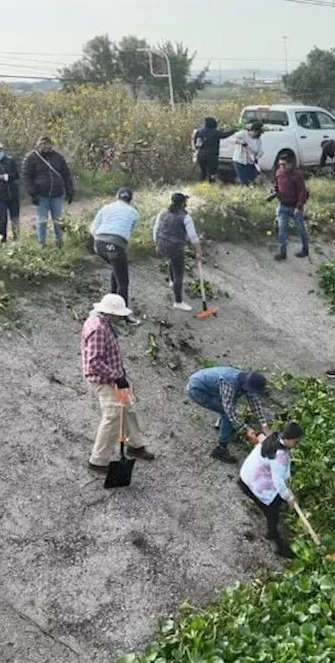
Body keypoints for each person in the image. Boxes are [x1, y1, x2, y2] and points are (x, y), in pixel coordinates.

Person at [80, 293, 155, 472]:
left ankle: (135, 446)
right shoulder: (98, 329)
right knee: (113, 415)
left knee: (128, 407)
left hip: (114, 376)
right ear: (110, 313)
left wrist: (120, 375)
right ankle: (98, 461)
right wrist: (116, 376)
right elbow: (94, 362)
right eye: (119, 315)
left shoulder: (103, 322)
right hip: (104, 380)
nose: (121, 318)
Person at [239, 421, 304, 558]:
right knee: (272, 512)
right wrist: (290, 498)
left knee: (279, 499)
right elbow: (278, 482)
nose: (298, 444)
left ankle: (275, 527)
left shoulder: (272, 437)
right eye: (297, 441)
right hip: (255, 485)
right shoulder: (279, 456)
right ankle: (274, 539)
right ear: (290, 439)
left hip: (246, 476)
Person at [186, 367, 271, 463]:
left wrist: (264, 425)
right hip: (197, 389)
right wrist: (247, 430)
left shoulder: (246, 379)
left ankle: (223, 426)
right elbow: (230, 413)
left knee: (229, 408)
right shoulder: (230, 384)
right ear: (247, 386)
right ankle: (221, 449)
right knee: (227, 415)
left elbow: (254, 402)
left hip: (209, 384)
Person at [91, 188, 142, 326]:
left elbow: (93, 228)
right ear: (130, 199)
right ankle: (124, 316)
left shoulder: (106, 208)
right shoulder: (134, 213)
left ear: (116, 196)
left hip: (99, 244)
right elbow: (128, 234)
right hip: (115, 245)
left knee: (116, 270)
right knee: (123, 281)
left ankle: (109, 307)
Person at [153, 192, 203, 312]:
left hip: (162, 243)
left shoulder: (163, 213)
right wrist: (199, 251)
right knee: (179, 274)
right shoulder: (185, 217)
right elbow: (192, 236)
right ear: (183, 203)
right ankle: (178, 301)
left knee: (172, 260)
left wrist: (156, 243)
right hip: (175, 247)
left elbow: (156, 228)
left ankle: (171, 281)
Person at [22, 136, 74, 248]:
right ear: (38, 145)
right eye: (42, 144)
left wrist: (70, 190)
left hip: (57, 194)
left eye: (47, 144)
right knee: (42, 221)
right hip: (40, 195)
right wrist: (32, 193)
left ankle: (59, 243)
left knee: (58, 221)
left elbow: (66, 174)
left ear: (51, 145)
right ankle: (42, 244)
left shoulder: (58, 157)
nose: (45, 147)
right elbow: (26, 177)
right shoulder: (31, 158)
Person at [271, 157, 310, 260]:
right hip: (283, 205)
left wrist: (299, 206)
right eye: (280, 165)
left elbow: (302, 192)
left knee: (300, 228)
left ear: (290, 164)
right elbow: (275, 184)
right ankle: (282, 252)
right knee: (282, 229)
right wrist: (273, 190)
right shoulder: (278, 172)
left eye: (284, 164)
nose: (282, 167)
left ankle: (305, 249)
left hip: (295, 206)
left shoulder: (297, 175)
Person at [192, 117, 237, 182]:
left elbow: (195, 141)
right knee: (212, 173)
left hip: (201, 155)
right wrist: (233, 131)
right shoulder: (215, 132)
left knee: (203, 172)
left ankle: (200, 184)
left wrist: (196, 150)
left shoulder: (199, 131)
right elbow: (224, 135)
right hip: (212, 156)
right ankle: (211, 184)